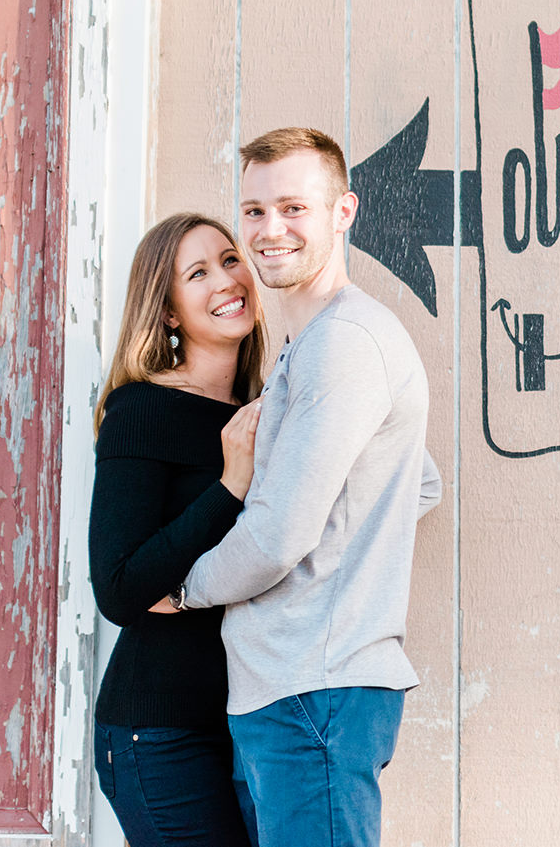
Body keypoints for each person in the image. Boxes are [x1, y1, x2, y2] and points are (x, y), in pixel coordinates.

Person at [165, 127, 443, 847]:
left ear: (342, 212)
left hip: (314, 691)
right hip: (286, 686)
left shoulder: (346, 343)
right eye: (254, 210)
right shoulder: (309, 345)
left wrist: (184, 586)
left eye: (294, 206)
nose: (269, 229)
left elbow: (278, 535)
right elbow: (419, 481)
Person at [89, 212, 268, 847]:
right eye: (198, 273)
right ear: (167, 313)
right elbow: (118, 589)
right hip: (159, 732)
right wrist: (229, 487)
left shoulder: (262, 408)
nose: (227, 279)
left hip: (248, 724)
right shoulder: (141, 410)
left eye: (229, 259)